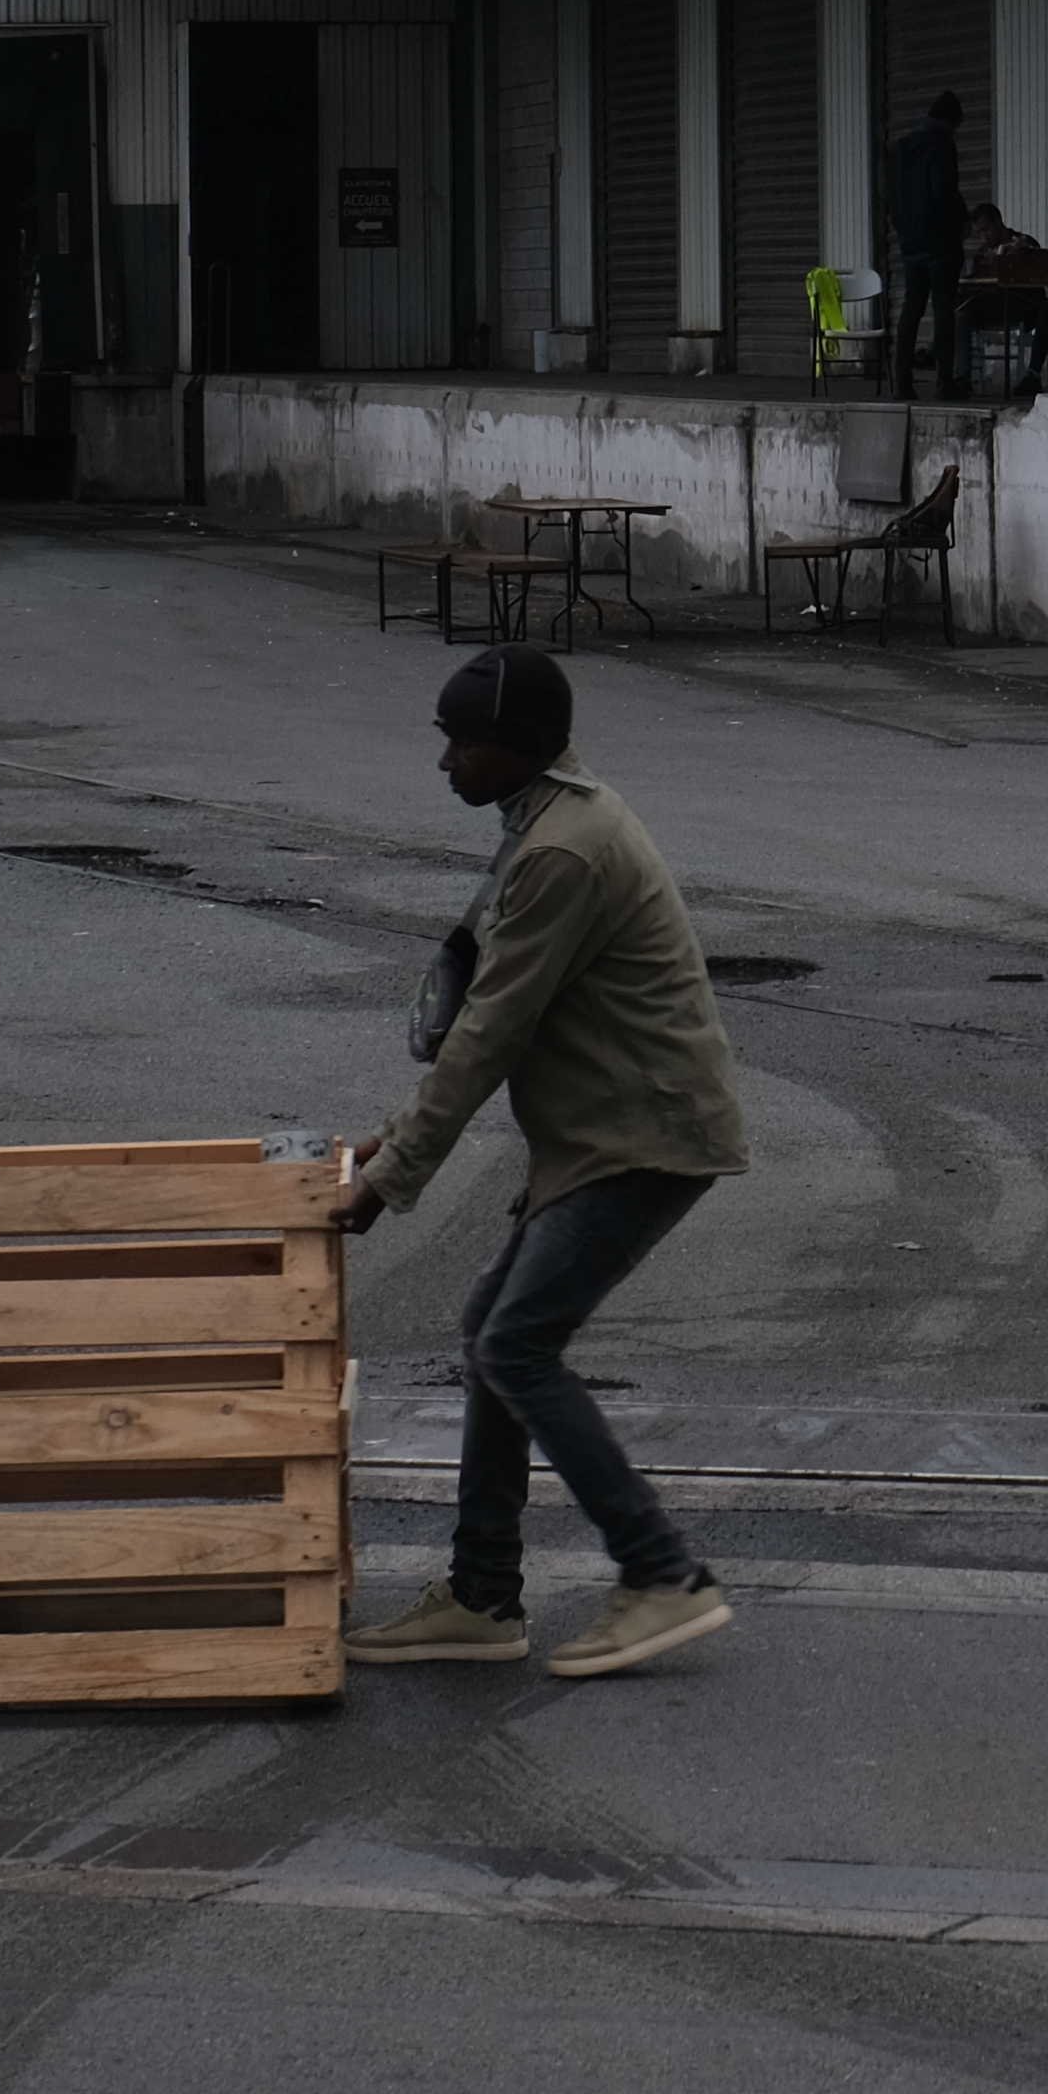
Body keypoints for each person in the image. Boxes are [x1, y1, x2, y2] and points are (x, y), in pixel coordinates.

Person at [337, 646, 753, 1677]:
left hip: (643, 1134)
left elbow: (490, 1029)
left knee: (515, 1345)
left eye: (458, 740)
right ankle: (483, 1596)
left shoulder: (565, 848)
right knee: (492, 1333)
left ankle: (662, 1575)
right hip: (606, 1128)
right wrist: (393, 1134)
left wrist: (390, 1179)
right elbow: (487, 1016)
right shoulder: (548, 820)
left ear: (511, 746)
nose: (444, 762)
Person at [874, 87, 965, 388]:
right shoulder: (942, 145)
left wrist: (902, 227)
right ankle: (944, 381)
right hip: (940, 241)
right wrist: (958, 223)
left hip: (910, 241)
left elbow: (889, 195)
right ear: (952, 121)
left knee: (912, 307)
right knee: (943, 308)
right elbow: (945, 191)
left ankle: (901, 380)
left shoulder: (902, 146)